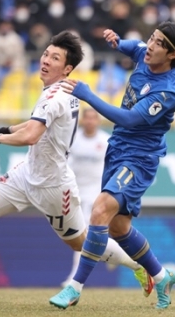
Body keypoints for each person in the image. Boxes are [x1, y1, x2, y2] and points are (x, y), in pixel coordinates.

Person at [0, 31, 153, 300]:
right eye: (45, 54)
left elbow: (31, 135)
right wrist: (9, 128)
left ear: (66, 68)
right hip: (26, 173)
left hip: (53, 186)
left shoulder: (54, 96)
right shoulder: (62, 90)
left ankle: (138, 264)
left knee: (80, 242)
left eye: (55, 58)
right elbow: (35, 124)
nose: (45, 60)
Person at [49, 22, 175, 310]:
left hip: (139, 158)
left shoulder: (167, 93)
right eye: (151, 37)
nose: (150, 45)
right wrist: (118, 42)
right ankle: (161, 275)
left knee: (100, 209)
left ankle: (74, 287)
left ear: (173, 54)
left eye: (158, 43)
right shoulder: (146, 54)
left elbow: (128, 120)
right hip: (118, 151)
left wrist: (89, 95)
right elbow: (134, 47)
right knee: (118, 227)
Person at [61, 107, 113, 287]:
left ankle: (74, 279)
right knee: (87, 234)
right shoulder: (73, 139)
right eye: (87, 118)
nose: (90, 121)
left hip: (96, 191)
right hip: (75, 190)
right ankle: (114, 254)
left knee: (83, 233)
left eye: (93, 118)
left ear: (98, 121)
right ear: (82, 120)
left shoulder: (105, 140)